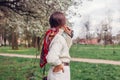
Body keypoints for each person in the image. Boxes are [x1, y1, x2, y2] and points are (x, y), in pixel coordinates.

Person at [40, 11, 73, 80]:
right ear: (63, 24)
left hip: (60, 70)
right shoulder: (58, 38)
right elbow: (51, 57)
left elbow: (65, 49)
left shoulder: (55, 36)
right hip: (59, 72)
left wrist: (68, 35)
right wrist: (59, 64)